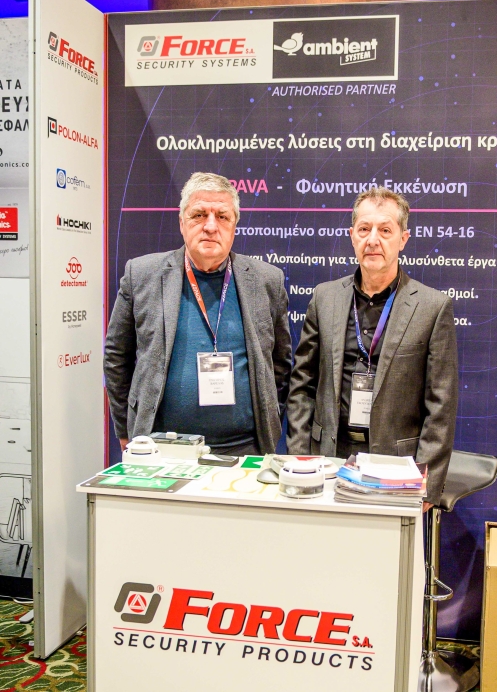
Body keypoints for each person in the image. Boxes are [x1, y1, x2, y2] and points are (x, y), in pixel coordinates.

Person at [286, 187, 458, 507]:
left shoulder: (432, 308)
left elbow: (440, 407)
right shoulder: (324, 298)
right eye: (364, 229)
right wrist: (299, 457)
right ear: (352, 236)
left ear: (403, 239)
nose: (373, 240)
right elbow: (302, 385)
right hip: (327, 460)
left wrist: (426, 484)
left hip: (396, 469)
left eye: (385, 230)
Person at [104, 172, 292, 456]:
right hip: (162, 448)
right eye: (199, 215)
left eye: (222, 216)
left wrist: (271, 419)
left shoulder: (267, 281)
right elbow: (117, 357)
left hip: (245, 449)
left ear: (235, 225)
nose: (210, 226)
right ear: (182, 223)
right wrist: (125, 428)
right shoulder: (141, 275)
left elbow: (280, 364)